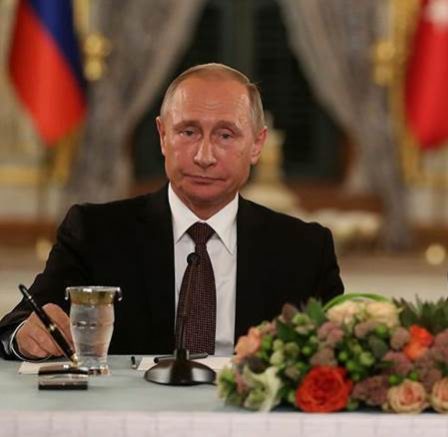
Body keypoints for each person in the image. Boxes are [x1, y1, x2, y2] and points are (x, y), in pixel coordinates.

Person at [0, 63, 344, 359]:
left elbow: (342, 352)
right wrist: (25, 336)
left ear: (257, 144)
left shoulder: (305, 249)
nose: (204, 156)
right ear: (163, 135)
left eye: (225, 135)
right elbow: (13, 327)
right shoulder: (95, 232)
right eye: (188, 132)